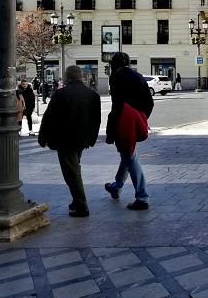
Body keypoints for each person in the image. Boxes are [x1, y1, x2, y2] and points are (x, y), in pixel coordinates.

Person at [37, 66, 101, 217]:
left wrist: (42, 137)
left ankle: (81, 204)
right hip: (82, 139)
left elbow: (49, 118)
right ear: (80, 76)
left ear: (68, 77)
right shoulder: (92, 95)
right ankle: (76, 200)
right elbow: (96, 120)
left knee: (71, 172)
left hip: (64, 139)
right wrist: (92, 138)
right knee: (74, 167)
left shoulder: (61, 94)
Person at [104, 52, 154, 210]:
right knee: (126, 154)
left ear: (114, 64)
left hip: (122, 120)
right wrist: (141, 117)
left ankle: (142, 197)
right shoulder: (138, 76)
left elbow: (116, 105)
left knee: (130, 156)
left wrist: (111, 129)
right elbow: (149, 102)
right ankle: (116, 186)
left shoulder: (116, 77)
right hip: (136, 118)